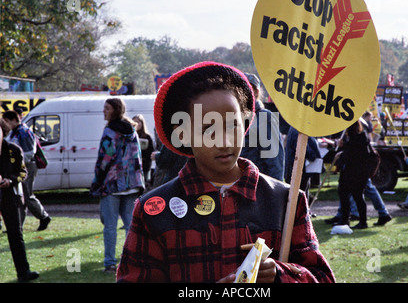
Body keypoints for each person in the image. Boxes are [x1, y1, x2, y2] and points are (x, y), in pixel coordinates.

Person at [117, 61, 335, 283]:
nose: (224, 141)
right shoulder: (153, 211)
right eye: (208, 128)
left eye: (232, 125)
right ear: (182, 134)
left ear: (246, 123)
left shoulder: (286, 201)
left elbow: (323, 278)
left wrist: (279, 275)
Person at [90, 98, 145, 273]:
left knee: (110, 226)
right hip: (133, 183)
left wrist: (97, 180)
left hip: (113, 184)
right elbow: (137, 157)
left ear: (115, 110)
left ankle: (110, 263)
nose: (103, 111)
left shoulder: (110, 131)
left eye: (106, 108)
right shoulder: (132, 130)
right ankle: (134, 260)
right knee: (130, 225)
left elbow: (105, 158)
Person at [0, 118, 39, 282]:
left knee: (15, 234)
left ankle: (23, 272)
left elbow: (23, 173)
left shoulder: (13, 150)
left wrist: (10, 180)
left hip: (10, 196)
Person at [2, 110, 51, 231]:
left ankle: (44, 216)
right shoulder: (14, 132)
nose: (5, 124)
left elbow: (29, 152)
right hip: (20, 166)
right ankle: (18, 225)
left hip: (27, 166)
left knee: (27, 196)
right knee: (20, 197)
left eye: (7, 121)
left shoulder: (24, 132)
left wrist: (18, 163)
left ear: (14, 120)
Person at [240, 73, 284, 180]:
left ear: (256, 92)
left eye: (247, 88)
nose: (241, 92)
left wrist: (275, 191)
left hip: (259, 186)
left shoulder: (264, 117)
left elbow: (275, 161)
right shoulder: (237, 118)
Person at [335, 120, 371, 229]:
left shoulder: (357, 139)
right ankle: (355, 220)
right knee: (356, 196)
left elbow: (350, 156)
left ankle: (348, 219)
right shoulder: (361, 138)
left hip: (354, 173)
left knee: (348, 195)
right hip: (359, 173)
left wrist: (342, 151)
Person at [132, 114, 155, 187]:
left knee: (145, 186)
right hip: (133, 167)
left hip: (145, 167)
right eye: (135, 122)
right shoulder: (130, 136)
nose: (137, 124)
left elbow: (151, 152)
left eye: (139, 122)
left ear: (142, 123)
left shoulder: (147, 137)